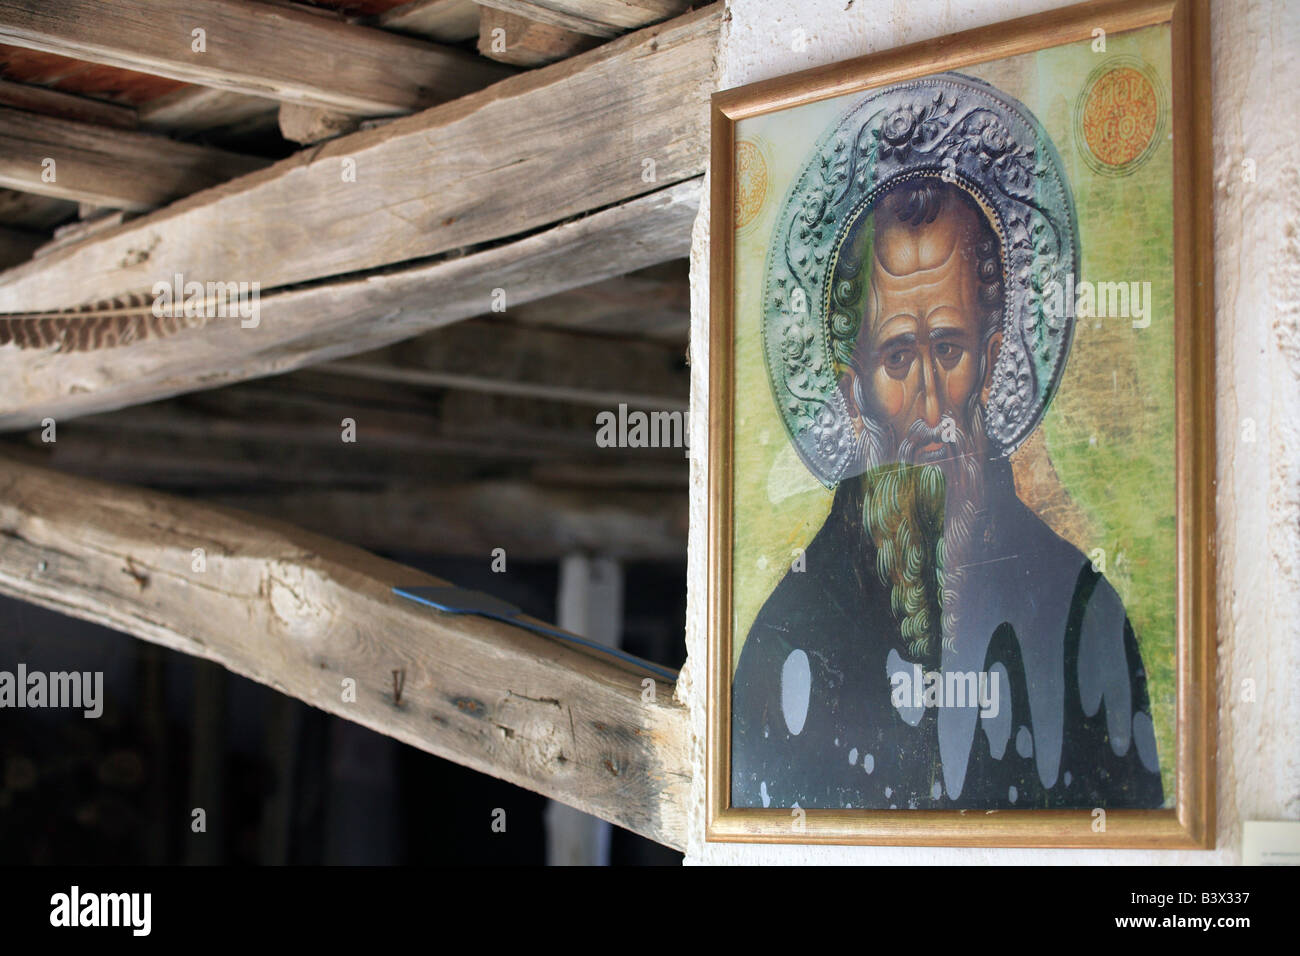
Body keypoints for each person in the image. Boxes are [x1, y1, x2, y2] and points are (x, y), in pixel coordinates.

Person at [732, 178, 1164, 811]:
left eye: (950, 349)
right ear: (854, 390)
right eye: (899, 358)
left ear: (989, 360)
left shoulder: (1076, 605)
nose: (932, 402)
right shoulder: (792, 629)